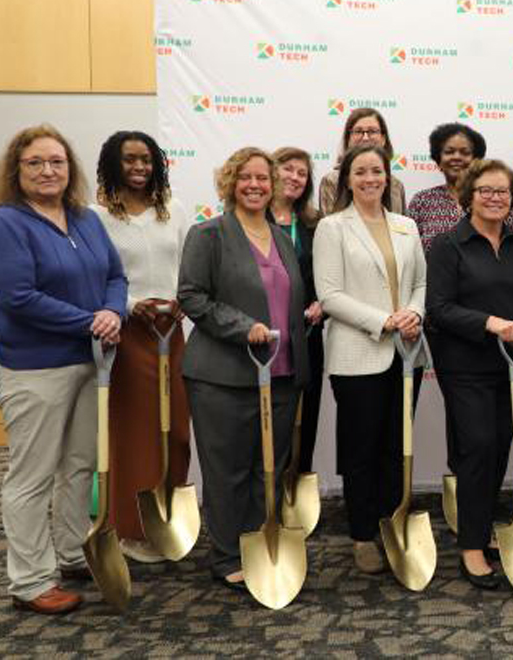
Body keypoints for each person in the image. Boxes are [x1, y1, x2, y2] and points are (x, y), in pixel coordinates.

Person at [0, 124, 126, 614]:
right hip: (34, 369)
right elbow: (15, 297)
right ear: (16, 170)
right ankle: (30, 582)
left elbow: (115, 275)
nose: (48, 171)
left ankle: (69, 552)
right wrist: (91, 321)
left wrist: (113, 312)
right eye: (36, 162)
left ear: (70, 169)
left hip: (90, 362)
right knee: (32, 475)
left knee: (79, 466)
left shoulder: (85, 218)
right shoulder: (4, 223)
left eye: (57, 162)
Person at [178, 147, 310, 589]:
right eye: (245, 178)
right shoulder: (208, 234)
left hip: (282, 373)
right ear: (230, 183)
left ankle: (258, 542)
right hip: (223, 375)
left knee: (266, 467)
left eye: (263, 178)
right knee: (228, 469)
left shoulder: (280, 237)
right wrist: (242, 327)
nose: (255, 185)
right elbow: (192, 297)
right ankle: (226, 555)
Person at [427, 159, 513, 589]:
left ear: (512, 199)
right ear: (469, 196)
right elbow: (439, 309)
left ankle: (479, 526)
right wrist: (491, 323)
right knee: (477, 446)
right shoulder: (448, 245)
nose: (495, 198)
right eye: (486, 191)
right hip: (465, 363)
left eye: (502, 191)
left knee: (500, 445)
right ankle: (472, 547)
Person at [313, 145, 426, 574]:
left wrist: (414, 313)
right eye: (360, 172)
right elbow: (330, 296)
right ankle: (362, 535)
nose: (369, 179)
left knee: (398, 447)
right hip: (358, 355)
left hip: (406, 353)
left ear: (387, 176)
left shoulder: (406, 226)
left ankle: (391, 523)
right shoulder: (332, 228)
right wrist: (386, 321)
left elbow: (420, 283)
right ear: (347, 179)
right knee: (361, 449)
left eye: (376, 171)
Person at [90, 130, 192, 563]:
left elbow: (189, 267)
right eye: (129, 159)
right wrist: (134, 306)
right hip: (129, 333)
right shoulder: (96, 217)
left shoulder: (173, 211)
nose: (139, 167)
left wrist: (182, 301)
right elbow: (97, 278)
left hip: (172, 330)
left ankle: (167, 521)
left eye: (146, 160)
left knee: (177, 428)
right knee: (135, 431)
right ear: (113, 163)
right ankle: (130, 527)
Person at [270, 147, 324, 476]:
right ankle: (265, 492)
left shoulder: (315, 224)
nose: (294, 177)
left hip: (307, 333)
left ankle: (297, 479)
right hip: (267, 335)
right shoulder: (251, 219)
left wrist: (323, 303)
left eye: (302, 173)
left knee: (307, 414)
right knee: (269, 414)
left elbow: (326, 275)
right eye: (287, 169)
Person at [406, 122, 513, 252]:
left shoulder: (500, 199)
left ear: (476, 160)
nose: (457, 157)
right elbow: (409, 253)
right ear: (438, 159)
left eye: (465, 152)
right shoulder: (422, 201)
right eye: (449, 152)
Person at [319, 108, 407, 214]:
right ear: (348, 139)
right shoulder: (332, 181)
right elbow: (330, 228)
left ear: (383, 139)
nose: (365, 138)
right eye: (358, 131)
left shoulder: (396, 186)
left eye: (372, 131)